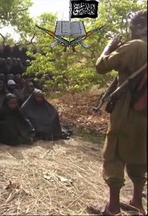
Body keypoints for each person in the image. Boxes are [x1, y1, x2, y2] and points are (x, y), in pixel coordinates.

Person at [89, 10, 147, 216]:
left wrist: (109, 47)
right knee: (140, 153)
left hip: (127, 110)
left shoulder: (135, 47)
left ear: (139, 27)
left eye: (133, 27)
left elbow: (101, 66)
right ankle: (136, 202)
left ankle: (113, 208)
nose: (130, 31)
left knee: (114, 153)